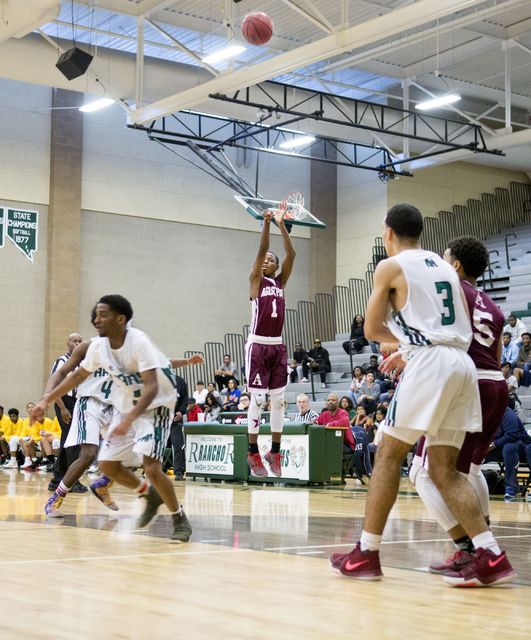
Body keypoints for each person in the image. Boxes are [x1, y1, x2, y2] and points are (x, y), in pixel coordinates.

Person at [329, 205, 514, 587]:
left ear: (388, 232)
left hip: (430, 362)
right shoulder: (444, 267)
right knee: (445, 470)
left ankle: (366, 552)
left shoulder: (390, 266)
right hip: (461, 364)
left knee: (388, 454)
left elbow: (371, 327)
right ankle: (490, 553)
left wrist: (404, 343)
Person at [32, 294, 194, 544]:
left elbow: (151, 387)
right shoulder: (97, 347)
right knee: (107, 465)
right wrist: (46, 399)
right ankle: (149, 494)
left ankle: (179, 518)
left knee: (151, 468)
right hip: (127, 405)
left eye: (103, 314)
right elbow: (75, 378)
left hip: (157, 405)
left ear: (121, 319)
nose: (96, 319)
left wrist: (128, 420)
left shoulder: (138, 342)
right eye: (96, 314)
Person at [245, 202, 295, 478]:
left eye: (271, 260)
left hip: (277, 344)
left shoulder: (279, 283)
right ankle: (253, 452)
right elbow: (262, 250)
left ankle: (274, 451)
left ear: (276, 267)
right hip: (257, 344)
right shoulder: (256, 281)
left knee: (278, 402)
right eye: (265, 260)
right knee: (257, 400)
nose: (266, 261)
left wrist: (281, 224)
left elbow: (292, 252)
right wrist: (266, 222)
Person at [48, 332, 85, 494]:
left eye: (79, 341)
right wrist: (63, 408)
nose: (77, 343)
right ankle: (72, 481)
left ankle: (57, 480)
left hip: (77, 403)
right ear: (68, 344)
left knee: (67, 441)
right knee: (73, 442)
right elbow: (55, 386)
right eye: (74, 341)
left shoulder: (83, 363)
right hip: (64, 402)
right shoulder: (62, 362)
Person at [483, 407, 531, 500]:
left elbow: (511, 435)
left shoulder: (507, 413)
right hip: (499, 447)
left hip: (519, 445)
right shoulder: (485, 415)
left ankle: (511, 486)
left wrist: (492, 445)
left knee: (509, 447)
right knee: (473, 455)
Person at [171, 373, 188, 481]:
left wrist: (181, 412)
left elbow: (185, 400)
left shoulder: (181, 382)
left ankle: (179, 471)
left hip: (176, 418)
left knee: (178, 444)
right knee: (156, 444)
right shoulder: (157, 379)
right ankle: (156, 469)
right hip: (160, 418)